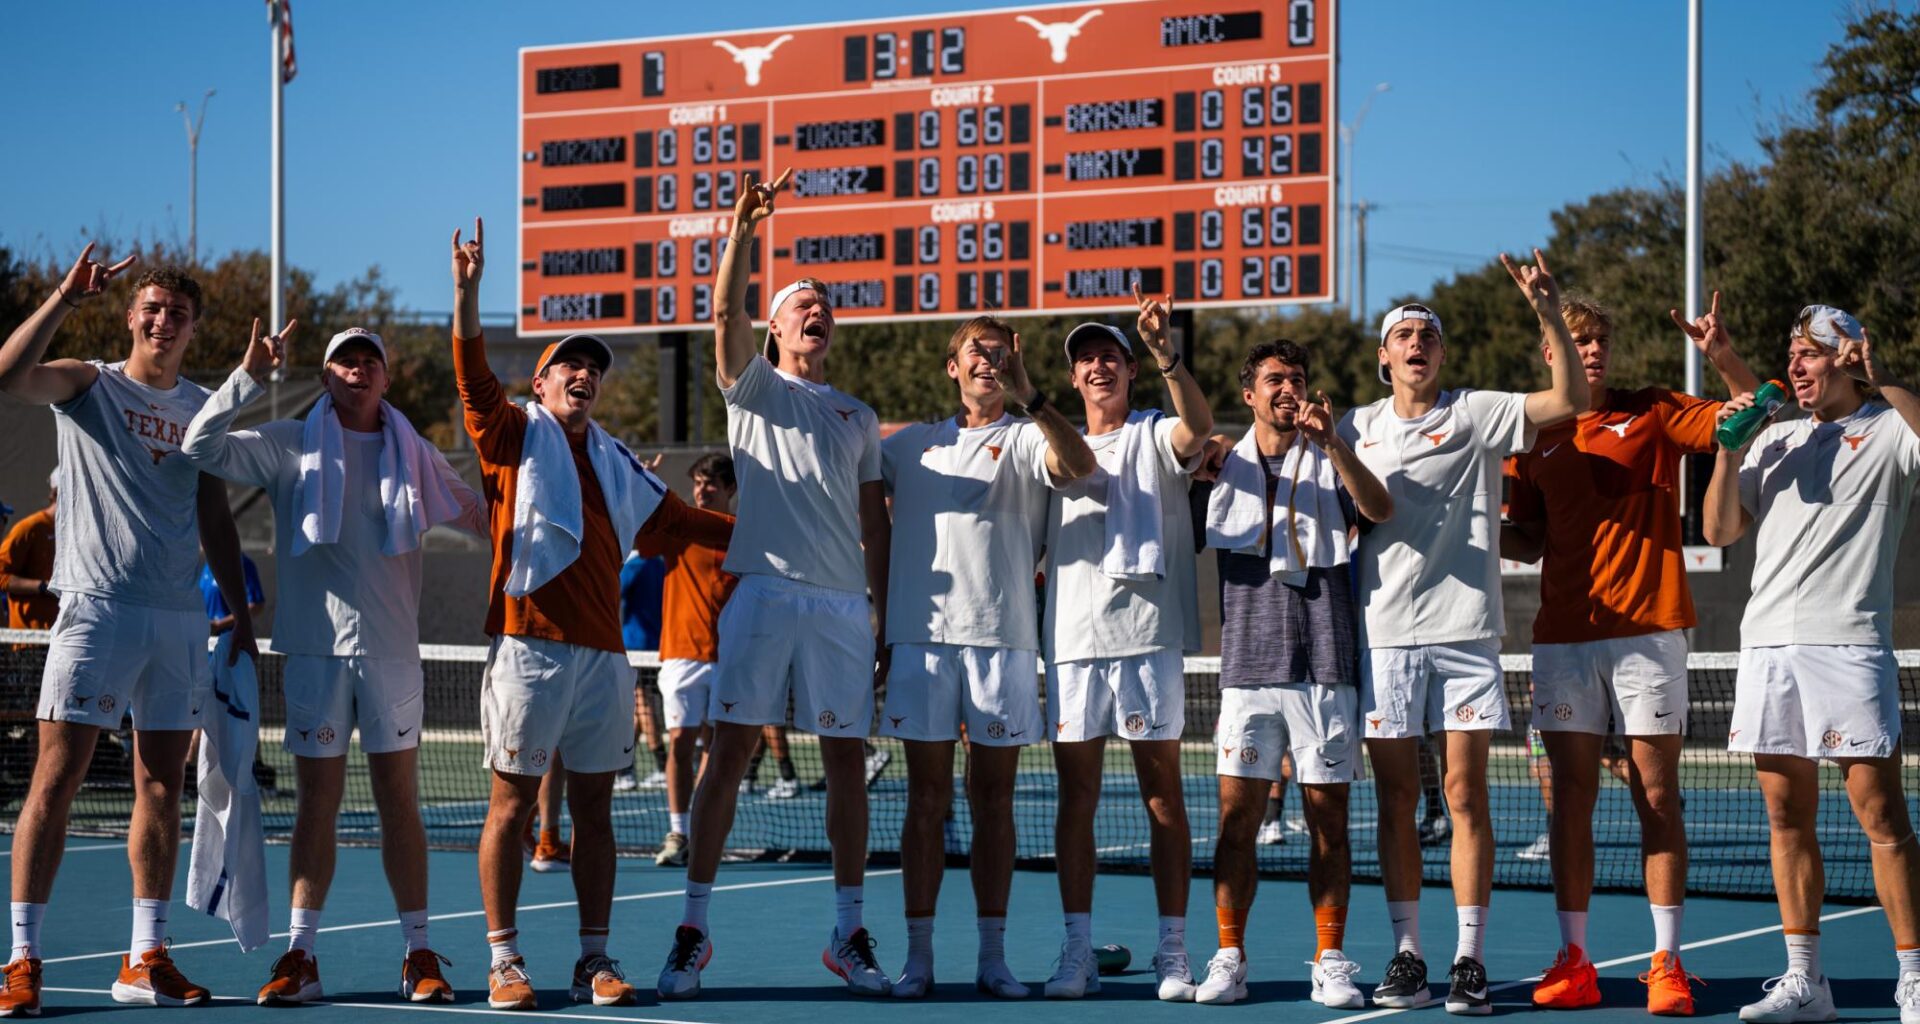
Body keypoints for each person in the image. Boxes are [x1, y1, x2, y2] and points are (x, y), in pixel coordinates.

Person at [448, 219, 733, 1011]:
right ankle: (505, 960)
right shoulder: (511, 434)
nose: (583, 373)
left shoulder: (613, 461)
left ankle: (594, 959)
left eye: (592, 367)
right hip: (530, 648)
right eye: (567, 364)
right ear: (539, 385)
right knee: (512, 803)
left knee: (597, 812)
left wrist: (782, 539)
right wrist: (468, 295)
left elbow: (681, 525)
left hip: (604, 657)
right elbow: (472, 380)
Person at [180, 322, 486, 1004]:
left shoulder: (417, 455)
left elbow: (487, 515)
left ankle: (418, 955)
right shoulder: (288, 444)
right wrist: (247, 377)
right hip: (315, 656)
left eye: (368, 361)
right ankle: (300, 957)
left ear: (386, 377)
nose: (356, 370)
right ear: (325, 378)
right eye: (343, 362)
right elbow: (197, 444)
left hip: (393, 657)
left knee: (398, 803)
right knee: (318, 804)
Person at [0, 250, 257, 1015]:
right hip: (96, 610)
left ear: (192, 327)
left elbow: (215, 516)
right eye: (150, 308)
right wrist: (60, 297)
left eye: (177, 313)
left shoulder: (206, 406)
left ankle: (146, 955)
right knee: (57, 778)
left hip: (178, 619)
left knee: (159, 786)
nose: (162, 320)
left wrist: (241, 615)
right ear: (129, 316)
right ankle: (21, 958)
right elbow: (9, 374)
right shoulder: (89, 383)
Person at [658, 169, 893, 1000]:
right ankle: (692, 929)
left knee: (841, 762)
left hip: (839, 606)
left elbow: (877, 524)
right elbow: (723, 315)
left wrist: (883, 620)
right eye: (802, 304)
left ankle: (849, 931)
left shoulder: (859, 416)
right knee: (728, 758)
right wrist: (744, 230)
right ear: (776, 331)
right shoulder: (753, 387)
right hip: (761, 592)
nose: (816, 311)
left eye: (825, 304)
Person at [1337, 250, 1588, 1015]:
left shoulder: (1477, 412)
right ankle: (1408, 954)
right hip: (1384, 637)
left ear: (1441, 353)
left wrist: (1548, 309)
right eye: (1403, 334)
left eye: (1429, 335)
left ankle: (1468, 960)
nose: (1417, 343)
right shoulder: (1352, 426)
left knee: (1464, 792)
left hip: (1466, 636)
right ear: (1384, 357)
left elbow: (1571, 397)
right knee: (1394, 798)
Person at [1502, 291, 1759, 1013]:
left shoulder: (1654, 410)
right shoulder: (1531, 435)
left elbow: (1748, 414)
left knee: (1655, 797)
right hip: (1563, 638)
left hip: (1649, 633)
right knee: (1570, 804)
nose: (1592, 353)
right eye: (1577, 343)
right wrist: (1451, 522)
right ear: (1550, 353)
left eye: (1599, 343)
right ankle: (1574, 959)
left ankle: (1667, 963)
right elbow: (1523, 537)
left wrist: (1724, 359)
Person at [1701, 305, 1920, 1024]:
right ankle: (1806, 982)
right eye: (1790, 353)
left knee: (1881, 815)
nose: (1795, 365)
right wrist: (1729, 448)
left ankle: (1914, 975)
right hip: (1769, 646)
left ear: (1845, 359)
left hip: (1850, 646)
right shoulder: (1777, 440)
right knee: (1785, 815)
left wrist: (1882, 377)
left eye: (1809, 353)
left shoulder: (1891, 430)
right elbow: (1719, 529)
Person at [877, 315, 1095, 998]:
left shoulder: (1032, 436)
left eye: (1001, 353)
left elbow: (1081, 466)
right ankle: (918, 959)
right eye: (977, 351)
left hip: (1004, 643)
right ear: (951, 367)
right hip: (919, 644)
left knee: (994, 801)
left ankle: (993, 959)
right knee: (924, 801)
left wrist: (1033, 396)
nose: (988, 361)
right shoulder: (908, 446)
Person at [1191, 340, 1392, 1007]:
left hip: (1326, 669)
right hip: (1249, 670)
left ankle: (1330, 958)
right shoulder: (1219, 468)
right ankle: (1228, 957)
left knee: (1328, 822)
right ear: (1249, 394)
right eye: (1275, 379)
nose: (1289, 388)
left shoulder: (1334, 457)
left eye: (1298, 378)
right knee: (1235, 821)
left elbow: (1378, 508)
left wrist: (1334, 445)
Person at [1041, 284, 1213, 1001]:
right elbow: (1064, 466)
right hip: (1074, 642)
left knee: (1162, 797)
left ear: (1131, 369)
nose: (1100, 367)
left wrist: (1167, 355)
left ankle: (1172, 950)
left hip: (1146, 638)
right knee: (1075, 799)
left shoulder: (1155, 432)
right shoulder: (1046, 444)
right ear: (1074, 377)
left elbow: (1197, 427)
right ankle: (1077, 949)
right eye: (1087, 359)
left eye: (1111, 356)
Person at [633, 454, 741, 868]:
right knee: (680, 742)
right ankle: (679, 832)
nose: (702, 490)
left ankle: (701, 827)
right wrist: (643, 481)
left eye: (711, 483)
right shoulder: (677, 529)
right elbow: (640, 531)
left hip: (732, 659)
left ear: (730, 489)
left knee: (719, 748)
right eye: (698, 482)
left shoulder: (745, 535)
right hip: (681, 656)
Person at [614, 545, 669, 793]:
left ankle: (663, 765)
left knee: (642, 704)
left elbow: (612, 594)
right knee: (640, 708)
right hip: (656, 646)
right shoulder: (662, 564)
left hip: (637, 648)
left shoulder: (635, 566)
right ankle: (624, 768)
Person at [0, 474, 58, 630]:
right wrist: (43, 587)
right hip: (30, 640)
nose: (4, 524)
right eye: (2, 518)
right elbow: (1, 576)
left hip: (58, 636)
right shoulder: (29, 528)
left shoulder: (76, 531)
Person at [198, 550, 265, 638]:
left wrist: (219, 625)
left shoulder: (243, 563)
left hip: (231, 639)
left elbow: (256, 605)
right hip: (207, 641)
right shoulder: (208, 565)